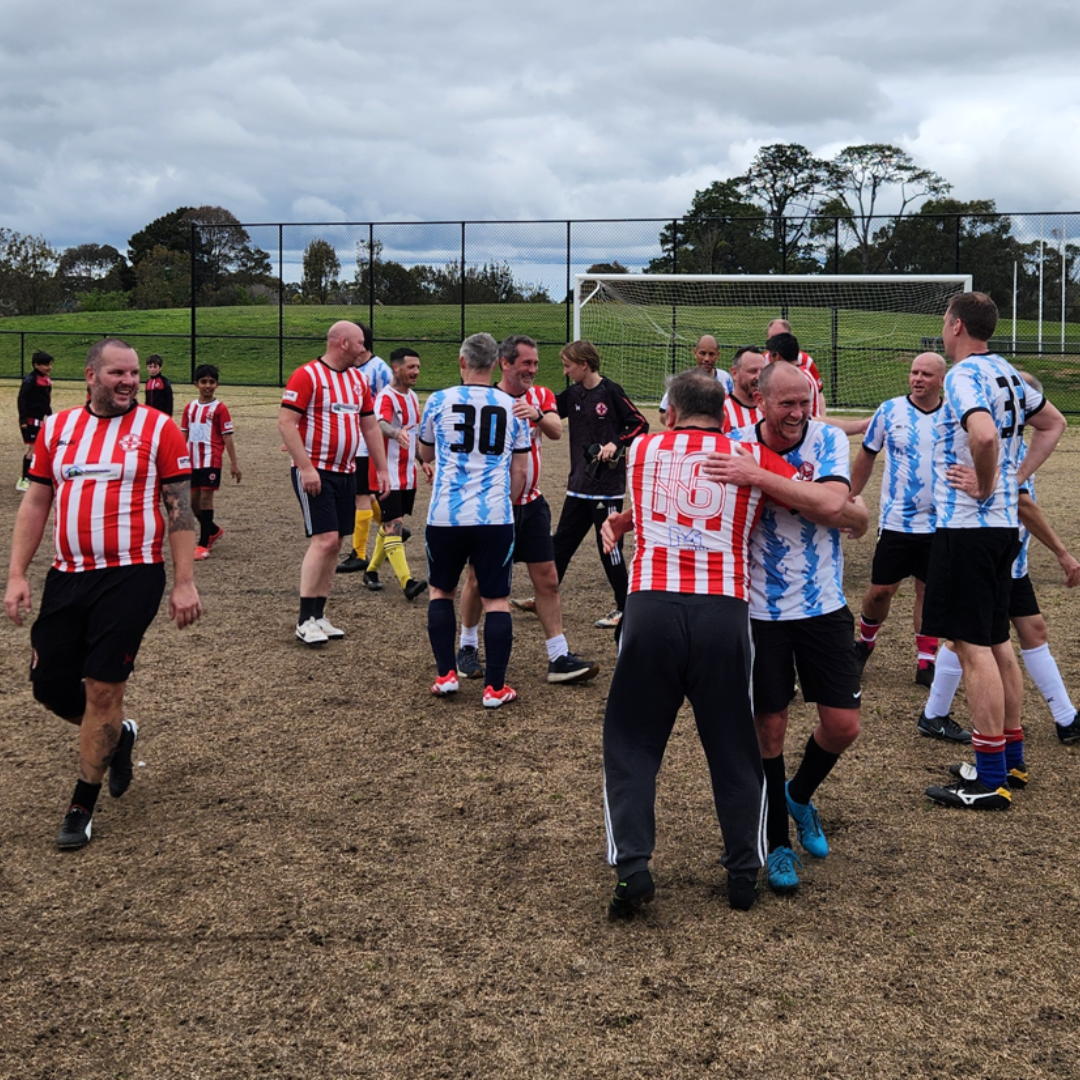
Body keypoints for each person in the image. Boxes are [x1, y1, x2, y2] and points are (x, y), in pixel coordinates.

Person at [4, 338, 201, 850]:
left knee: (103, 689)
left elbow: (179, 507)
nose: (130, 381)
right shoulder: (58, 428)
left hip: (132, 574)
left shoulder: (159, 428)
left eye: (133, 373)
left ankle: (81, 805)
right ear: (91, 376)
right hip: (68, 575)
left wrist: (184, 581)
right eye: (118, 373)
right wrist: (17, 573)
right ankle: (119, 735)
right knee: (49, 686)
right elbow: (37, 501)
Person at [703, 361, 870, 893]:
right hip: (758, 612)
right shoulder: (733, 443)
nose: (798, 413)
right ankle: (776, 843)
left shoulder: (826, 440)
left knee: (843, 726)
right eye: (787, 404)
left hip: (823, 605)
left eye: (805, 402)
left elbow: (834, 502)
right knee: (769, 728)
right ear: (760, 400)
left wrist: (759, 477)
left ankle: (799, 795)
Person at [922, 292, 1066, 811]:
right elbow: (1054, 424)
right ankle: (1010, 759)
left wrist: (987, 485)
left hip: (968, 528)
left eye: (945, 321)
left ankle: (988, 781)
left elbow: (983, 436)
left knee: (971, 647)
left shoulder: (963, 375)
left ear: (957, 326)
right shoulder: (1007, 371)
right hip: (1003, 529)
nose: (944, 328)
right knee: (997, 641)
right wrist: (1012, 479)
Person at [458, 335, 598, 685]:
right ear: (504, 363)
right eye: (526, 363)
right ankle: (467, 647)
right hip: (493, 506)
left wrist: (535, 415)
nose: (532, 370)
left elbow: (555, 431)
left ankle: (558, 656)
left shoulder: (541, 396)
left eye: (535, 363)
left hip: (532, 503)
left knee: (547, 578)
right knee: (477, 578)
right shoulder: (487, 399)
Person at [419, 333, 530, 708]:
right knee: (496, 600)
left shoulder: (438, 400)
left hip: (445, 516)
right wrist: (505, 504)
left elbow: (425, 452)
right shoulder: (513, 406)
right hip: (493, 516)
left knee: (441, 592)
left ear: (462, 361)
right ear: (497, 363)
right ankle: (495, 688)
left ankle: (446, 675)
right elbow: (520, 470)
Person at [849, 353, 952, 706]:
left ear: (942, 380)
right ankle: (864, 643)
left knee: (929, 590)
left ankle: (926, 661)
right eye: (914, 372)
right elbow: (867, 455)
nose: (917, 378)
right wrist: (850, 496)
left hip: (940, 523)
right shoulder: (889, 410)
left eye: (926, 374)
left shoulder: (955, 416)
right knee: (881, 591)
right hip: (897, 522)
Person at [279, 321, 389, 646]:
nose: (364, 349)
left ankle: (319, 615)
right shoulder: (307, 375)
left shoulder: (358, 380)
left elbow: (370, 426)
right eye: (360, 343)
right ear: (343, 343)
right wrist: (306, 467)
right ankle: (304, 620)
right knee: (324, 540)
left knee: (336, 542)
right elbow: (286, 423)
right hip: (316, 472)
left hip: (346, 471)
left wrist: (382, 469)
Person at [552, 340, 649, 631]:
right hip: (578, 484)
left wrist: (616, 442)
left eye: (568, 365)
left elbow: (639, 423)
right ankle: (545, 595)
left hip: (606, 487)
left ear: (584, 364)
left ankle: (625, 607)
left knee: (609, 548)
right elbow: (549, 411)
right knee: (560, 544)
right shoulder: (572, 394)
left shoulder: (611, 391)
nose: (565, 371)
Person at [361, 347, 428, 600]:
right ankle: (407, 582)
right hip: (386, 474)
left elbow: (413, 434)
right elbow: (380, 424)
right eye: (411, 367)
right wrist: (395, 432)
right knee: (394, 524)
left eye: (418, 367)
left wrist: (422, 461)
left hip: (407, 474)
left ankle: (371, 571)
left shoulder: (413, 397)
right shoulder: (385, 397)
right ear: (396, 369)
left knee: (391, 524)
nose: (416, 372)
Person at [337, 323, 394, 574]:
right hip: (350, 441)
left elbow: (389, 403)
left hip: (365, 443)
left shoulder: (380, 369)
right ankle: (392, 529)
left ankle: (359, 554)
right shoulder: (347, 369)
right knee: (365, 495)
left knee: (360, 495)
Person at [181, 364, 241, 560]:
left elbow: (227, 437)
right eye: (203, 381)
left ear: (217, 384)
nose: (207, 385)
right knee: (193, 503)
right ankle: (213, 530)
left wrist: (234, 463)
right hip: (192, 461)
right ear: (196, 384)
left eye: (211, 382)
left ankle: (203, 543)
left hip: (211, 460)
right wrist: (177, 458)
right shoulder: (190, 408)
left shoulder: (220, 409)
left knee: (206, 500)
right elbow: (184, 434)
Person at [657, 334, 730, 423]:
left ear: (718, 355)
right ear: (695, 353)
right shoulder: (681, 381)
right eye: (702, 353)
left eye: (711, 354)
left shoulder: (726, 378)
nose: (707, 358)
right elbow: (663, 414)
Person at [16, 349, 52, 493]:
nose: (49, 367)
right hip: (30, 420)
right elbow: (22, 398)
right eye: (45, 365)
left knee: (40, 448)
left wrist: (49, 414)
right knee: (33, 449)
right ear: (36, 365)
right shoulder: (31, 380)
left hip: (39, 418)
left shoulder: (45, 379)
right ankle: (24, 479)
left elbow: (45, 400)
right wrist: (24, 419)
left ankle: (34, 476)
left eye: (50, 364)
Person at [722, 346, 767, 431]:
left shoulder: (770, 409)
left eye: (763, 371)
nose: (759, 377)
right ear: (735, 373)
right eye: (753, 371)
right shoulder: (720, 410)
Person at [143, 354, 174, 418]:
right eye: (150, 367)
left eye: (155, 367)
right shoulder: (148, 382)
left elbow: (169, 400)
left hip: (161, 415)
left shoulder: (164, 381)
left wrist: (168, 416)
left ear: (160, 368)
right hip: (150, 415)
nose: (152, 369)